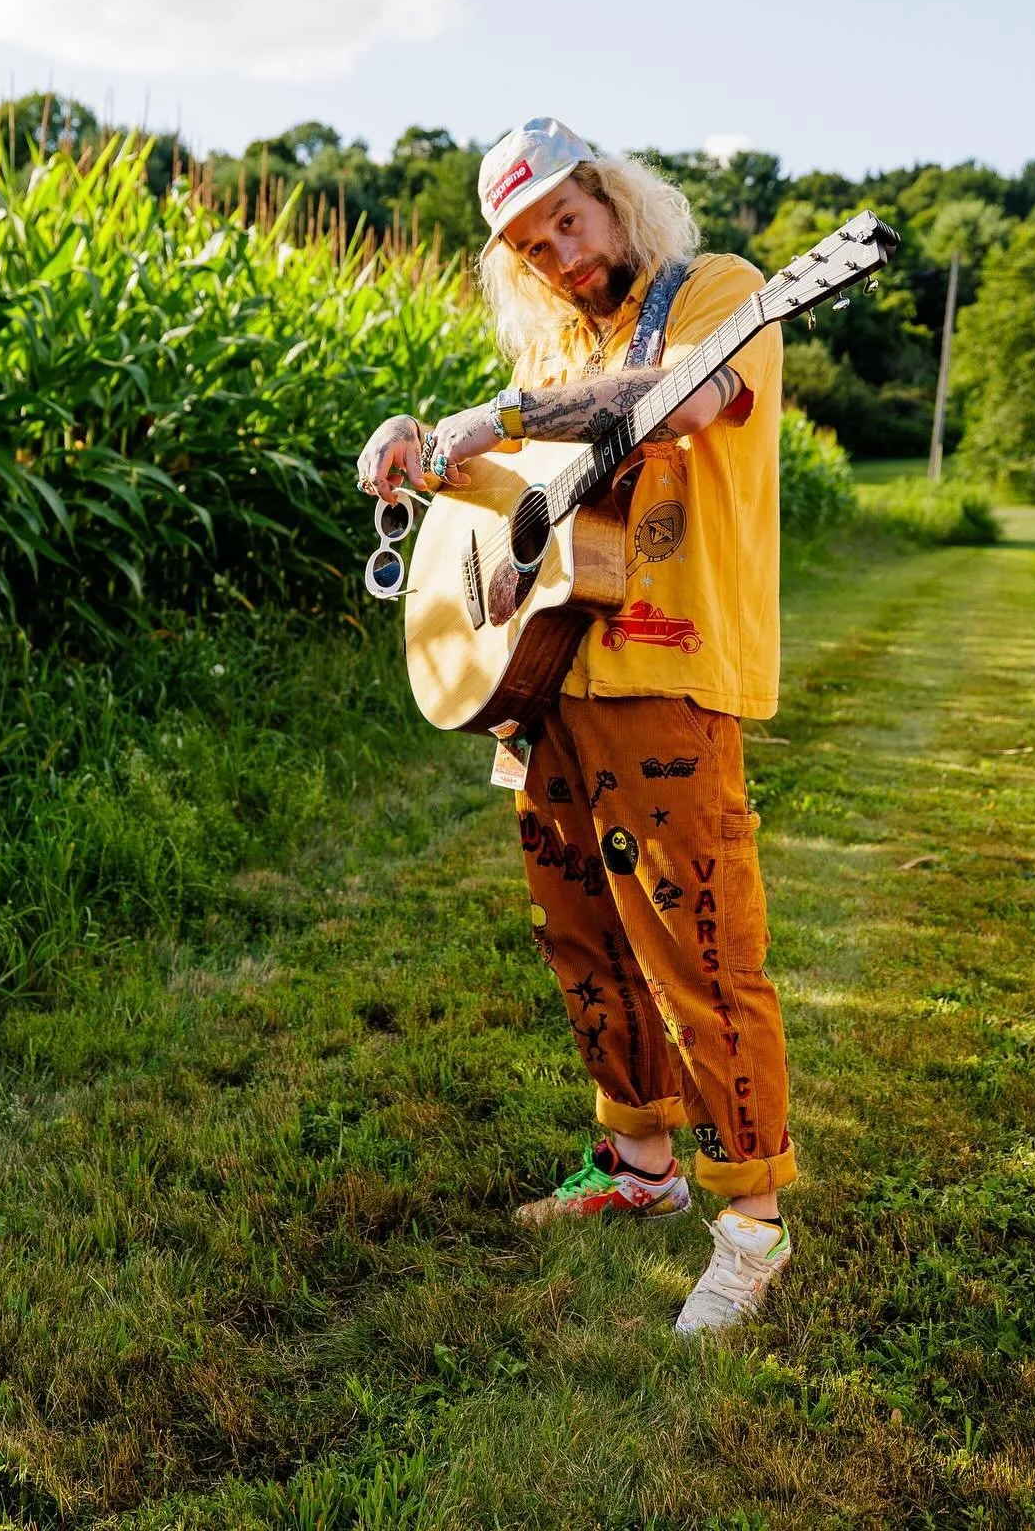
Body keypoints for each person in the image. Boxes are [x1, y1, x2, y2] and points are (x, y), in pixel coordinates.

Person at [354, 117, 796, 1335]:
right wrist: (422, 450)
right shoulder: (551, 340)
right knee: (582, 938)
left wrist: (500, 416)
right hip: (544, 680)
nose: (560, 252)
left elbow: (689, 400)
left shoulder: (720, 292)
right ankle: (639, 1164)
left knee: (700, 952)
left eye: (567, 218)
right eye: (530, 245)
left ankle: (753, 1223)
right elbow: (500, 484)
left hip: (667, 669)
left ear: (611, 194)